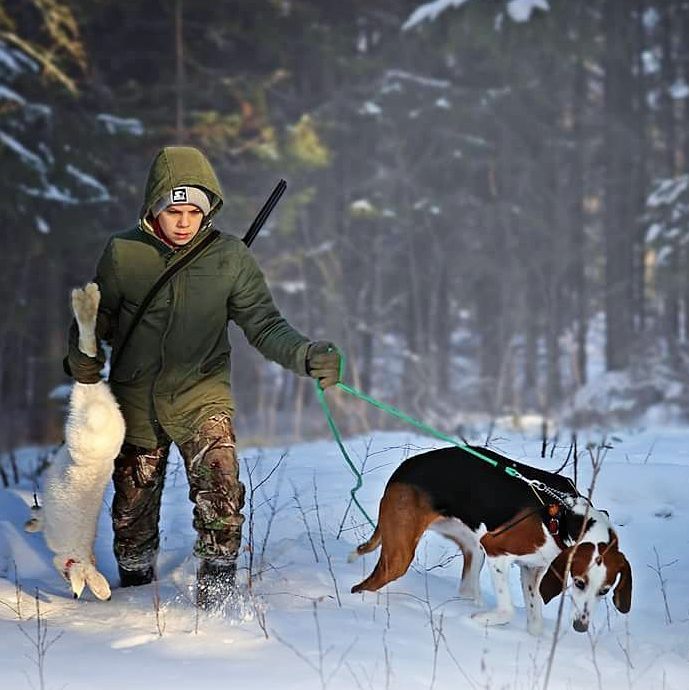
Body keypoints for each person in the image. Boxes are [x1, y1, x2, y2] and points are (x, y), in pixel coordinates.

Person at [65, 146, 341, 609]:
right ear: (153, 207)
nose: (184, 222)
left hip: (202, 395)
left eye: (195, 211)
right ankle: (136, 592)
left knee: (222, 494)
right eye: (174, 211)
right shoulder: (123, 252)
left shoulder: (230, 257)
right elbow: (99, 319)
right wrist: (84, 346)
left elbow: (264, 324)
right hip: (136, 400)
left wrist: (306, 354)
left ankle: (217, 596)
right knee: (131, 513)